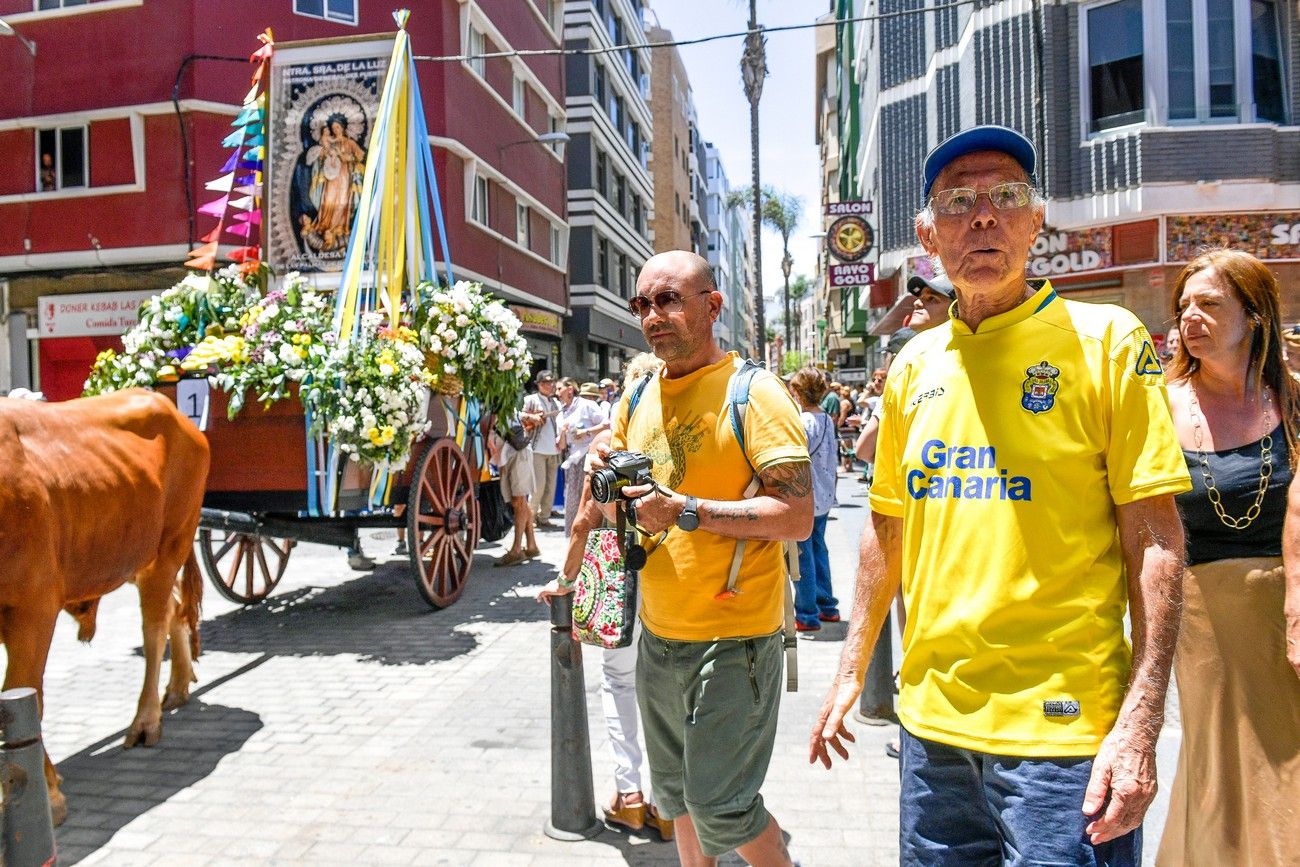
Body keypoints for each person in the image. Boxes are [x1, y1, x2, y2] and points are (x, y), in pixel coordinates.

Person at [810, 125, 1190, 865]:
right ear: (927, 233)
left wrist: (1141, 721)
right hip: (933, 738)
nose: (983, 215)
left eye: (1006, 195)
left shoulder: (1107, 340)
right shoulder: (914, 365)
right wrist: (849, 668)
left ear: (1035, 218)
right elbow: (886, 527)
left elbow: (1157, 541)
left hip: (1064, 740)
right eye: (958, 200)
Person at [593, 249, 811, 866]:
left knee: (722, 804)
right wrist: (603, 483)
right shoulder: (635, 395)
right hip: (658, 635)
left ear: (712, 306)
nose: (653, 316)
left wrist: (686, 509)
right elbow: (622, 510)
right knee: (676, 799)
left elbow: (795, 515)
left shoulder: (756, 394)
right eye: (643, 304)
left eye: (668, 300)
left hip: (735, 639)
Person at [1155, 248, 1300, 865]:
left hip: (1286, 600)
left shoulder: (1292, 400)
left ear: (1256, 315)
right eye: (1184, 306)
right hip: (1201, 614)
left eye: (1211, 304)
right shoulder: (1158, 405)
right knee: (1219, 763)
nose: (1192, 317)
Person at [537, 354, 672, 841]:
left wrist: (565, 579)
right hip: (675, 572)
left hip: (618, 571)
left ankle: (630, 796)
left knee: (619, 684)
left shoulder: (611, 441)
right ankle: (668, 805)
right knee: (668, 691)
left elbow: (583, 522)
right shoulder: (677, 436)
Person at [789, 367, 840, 633]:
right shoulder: (826, 419)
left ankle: (807, 614)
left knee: (802, 555)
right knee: (819, 549)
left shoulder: (803, 421)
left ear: (798, 393)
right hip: (824, 495)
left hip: (806, 496)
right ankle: (827, 605)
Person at [491, 406, 542, 567]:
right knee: (519, 502)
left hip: (517, 453)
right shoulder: (504, 405)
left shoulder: (503, 404)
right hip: (511, 453)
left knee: (518, 501)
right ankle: (532, 545)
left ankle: (517, 549)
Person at [557, 379, 609, 535]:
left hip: (589, 455)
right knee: (572, 499)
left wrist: (585, 432)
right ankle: (575, 536)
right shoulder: (561, 413)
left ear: (570, 389)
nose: (557, 392)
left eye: (559, 388)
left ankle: (591, 537)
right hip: (572, 459)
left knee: (590, 500)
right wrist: (563, 434)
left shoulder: (587, 405)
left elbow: (606, 425)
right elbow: (561, 446)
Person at [524, 370, 563, 528]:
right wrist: (532, 418)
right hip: (537, 449)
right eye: (546, 382)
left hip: (553, 449)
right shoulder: (530, 400)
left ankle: (544, 517)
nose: (550, 385)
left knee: (550, 486)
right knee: (537, 487)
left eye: (552, 382)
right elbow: (521, 417)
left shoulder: (556, 402)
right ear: (539, 384)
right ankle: (530, 517)